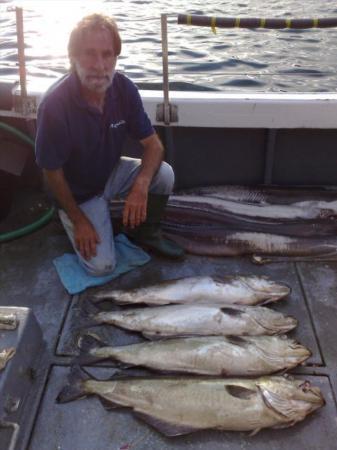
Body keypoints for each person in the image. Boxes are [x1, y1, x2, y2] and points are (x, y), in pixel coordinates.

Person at [35, 13, 184, 276]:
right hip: (77, 192)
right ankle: (70, 221)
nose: (100, 65)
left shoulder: (124, 89)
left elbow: (154, 146)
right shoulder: (55, 105)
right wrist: (79, 220)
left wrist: (140, 185)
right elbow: (52, 173)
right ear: (73, 57)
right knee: (101, 266)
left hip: (109, 173)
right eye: (89, 54)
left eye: (108, 54)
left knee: (163, 174)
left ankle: (146, 233)